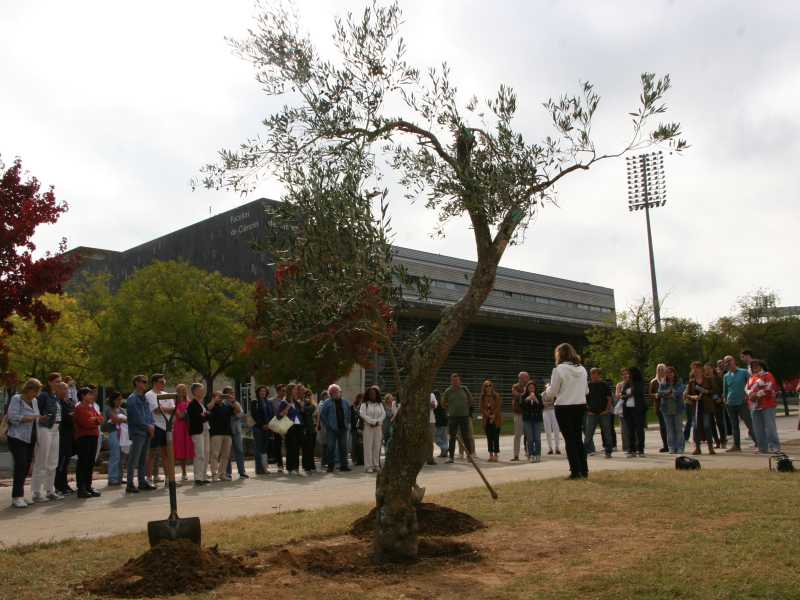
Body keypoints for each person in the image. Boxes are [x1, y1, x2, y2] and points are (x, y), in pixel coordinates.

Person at [543, 343, 589, 479]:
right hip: (580, 405)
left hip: (564, 407)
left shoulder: (559, 370)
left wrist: (547, 388)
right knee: (578, 438)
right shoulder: (582, 369)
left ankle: (575, 471)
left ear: (559, 354)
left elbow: (552, 393)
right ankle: (584, 470)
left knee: (569, 440)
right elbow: (586, 390)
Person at [7, 379, 47, 508]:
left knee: (26, 466)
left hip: (31, 437)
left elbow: (36, 416)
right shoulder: (16, 398)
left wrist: (40, 418)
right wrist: (30, 418)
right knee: (21, 465)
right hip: (17, 437)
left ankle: (21, 495)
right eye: (36, 391)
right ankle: (16, 496)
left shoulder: (34, 401)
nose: (36, 394)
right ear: (29, 389)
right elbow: (12, 417)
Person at [31, 373, 64, 502]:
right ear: (50, 382)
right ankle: (36, 492)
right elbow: (36, 412)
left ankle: (50, 489)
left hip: (56, 429)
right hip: (45, 428)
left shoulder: (55, 396)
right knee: (41, 460)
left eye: (60, 381)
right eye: (56, 381)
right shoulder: (43, 395)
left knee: (53, 461)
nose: (59, 384)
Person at [125, 375, 156, 493]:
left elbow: (148, 414)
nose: (145, 384)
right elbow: (136, 417)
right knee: (134, 459)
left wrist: (152, 425)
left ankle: (142, 482)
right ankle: (129, 484)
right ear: (137, 383)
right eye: (143, 382)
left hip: (146, 431)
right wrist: (148, 426)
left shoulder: (144, 398)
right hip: (138, 432)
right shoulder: (132, 399)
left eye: (146, 382)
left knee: (143, 459)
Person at [74, 387, 104, 498]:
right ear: (83, 396)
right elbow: (86, 423)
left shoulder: (91, 408)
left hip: (93, 436)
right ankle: (81, 487)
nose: (92, 397)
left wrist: (95, 420)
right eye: (89, 394)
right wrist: (95, 420)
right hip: (84, 437)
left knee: (90, 462)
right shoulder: (79, 408)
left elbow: (101, 418)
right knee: (83, 462)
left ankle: (88, 485)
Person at [146, 374, 174, 486]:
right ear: (155, 382)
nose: (163, 384)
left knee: (166, 454)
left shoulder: (167, 395)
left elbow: (173, 410)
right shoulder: (149, 395)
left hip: (166, 427)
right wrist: (165, 409)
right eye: (161, 382)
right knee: (152, 453)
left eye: (164, 382)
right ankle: (149, 478)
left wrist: (164, 408)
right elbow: (157, 410)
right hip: (155, 426)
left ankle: (168, 479)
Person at [746, 359, 780, 453]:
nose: (754, 368)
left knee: (770, 427)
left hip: (767, 404)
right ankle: (762, 448)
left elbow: (769, 387)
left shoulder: (767, 375)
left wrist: (756, 395)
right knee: (758, 428)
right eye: (752, 366)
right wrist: (750, 395)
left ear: (761, 366)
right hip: (754, 406)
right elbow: (747, 390)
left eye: (757, 366)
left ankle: (774, 447)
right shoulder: (751, 378)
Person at [721, 356, 753, 452]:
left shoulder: (743, 372)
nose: (728, 362)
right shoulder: (726, 376)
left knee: (749, 423)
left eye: (729, 360)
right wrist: (725, 399)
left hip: (742, 402)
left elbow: (751, 384)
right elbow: (725, 390)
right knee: (734, 425)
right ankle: (736, 445)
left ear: (734, 361)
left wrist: (748, 396)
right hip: (730, 403)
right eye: (726, 361)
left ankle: (759, 443)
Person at [686, 361, 716, 455]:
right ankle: (697, 448)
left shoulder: (708, 379)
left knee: (707, 426)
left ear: (700, 368)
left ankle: (710, 447)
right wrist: (693, 397)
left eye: (696, 368)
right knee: (696, 427)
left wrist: (707, 391)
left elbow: (713, 391)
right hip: (696, 407)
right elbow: (687, 394)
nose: (695, 370)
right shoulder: (692, 382)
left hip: (706, 406)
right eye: (693, 368)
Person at [319, 384, 351, 472]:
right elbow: (322, 415)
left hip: (343, 428)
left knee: (343, 448)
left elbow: (348, 413)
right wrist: (328, 425)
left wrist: (347, 423)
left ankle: (344, 465)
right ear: (330, 393)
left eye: (337, 392)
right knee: (331, 448)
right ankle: (330, 466)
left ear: (340, 392)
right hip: (332, 430)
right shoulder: (327, 403)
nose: (335, 394)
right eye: (332, 392)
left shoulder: (345, 402)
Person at [443, 373, 474, 463]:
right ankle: (451, 457)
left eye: (457, 380)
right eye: (453, 380)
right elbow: (443, 403)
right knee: (452, 437)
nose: (455, 382)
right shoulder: (448, 391)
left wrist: (466, 407)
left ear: (459, 381)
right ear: (451, 381)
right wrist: (450, 409)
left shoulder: (464, 389)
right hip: (453, 417)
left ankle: (469, 456)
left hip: (464, 416)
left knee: (466, 436)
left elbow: (471, 400)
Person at [208, 390, 238, 481]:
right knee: (215, 454)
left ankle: (222, 474)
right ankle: (214, 474)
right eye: (218, 396)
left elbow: (238, 410)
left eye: (222, 396)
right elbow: (208, 408)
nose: (221, 397)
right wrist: (214, 400)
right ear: (214, 397)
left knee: (225, 455)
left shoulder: (227, 406)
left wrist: (232, 401)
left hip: (227, 433)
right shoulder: (212, 406)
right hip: (216, 433)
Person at [54, 375, 77, 495]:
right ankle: (59, 485)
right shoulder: (57, 403)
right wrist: (73, 416)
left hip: (70, 436)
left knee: (66, 460)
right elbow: (67, 417)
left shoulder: (69, 402)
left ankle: (64, 484)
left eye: (67, 389)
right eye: (63, 389)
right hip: (61, 435)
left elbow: (74, 414)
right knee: (61, 462)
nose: (66, 391)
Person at [585, 368, 614, 458]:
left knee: (607, 433)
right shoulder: (587, 385)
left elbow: (609, 398)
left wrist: (607, 410)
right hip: (591, 413)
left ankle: (608, 451)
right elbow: (583, 399)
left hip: (603, 413)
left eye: (595, 373)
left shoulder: (604, 385)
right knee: (588, 433)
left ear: (599, 374)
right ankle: (585, 451)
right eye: (592, 374)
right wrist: (587, 410)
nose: (593, 375)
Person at [186, 383, 210, 486]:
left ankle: (204, 476)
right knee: (199, 454)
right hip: (197, 431)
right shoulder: (192, 404)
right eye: (200, 390)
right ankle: (198, 477)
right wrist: (205, 415)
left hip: (205, 430)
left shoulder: (202, 403)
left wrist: (205, 415)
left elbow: (208, 415)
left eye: (203, 390)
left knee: (206, 453)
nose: (202, 392)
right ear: (195, 391)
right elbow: (197, 417)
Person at [657, 366, 685, 454]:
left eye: (670, 372)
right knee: (669, 429)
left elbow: (680, 391)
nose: (669, 374)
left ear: (674, 373)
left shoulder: (679, 381)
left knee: (678, 428)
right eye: (667, 373)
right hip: (666, 408)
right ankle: (671, 447)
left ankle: (680, 447)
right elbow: (660, 393)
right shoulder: (663, 382)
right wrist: (668, 392)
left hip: (677, 408)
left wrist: (672, 393)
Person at [170, 384, 194, 481]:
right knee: (180, 449)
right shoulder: (174, 403)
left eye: (184, 389)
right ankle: (183, 472)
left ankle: (195, 471)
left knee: (190, 448)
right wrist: (188, 412)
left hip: (188, 426)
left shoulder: (189, 401)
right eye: (180, 390)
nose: (182, 391)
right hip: (179, 426)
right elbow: (179, 416)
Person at [621, 367, 647, 457]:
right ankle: (631, 449)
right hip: (628, 409)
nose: (628, 375)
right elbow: (623, 394)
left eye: (629, 373)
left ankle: (640, 449)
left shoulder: (639, 382)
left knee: (639, 430)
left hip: (638, 410)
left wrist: (628, 394)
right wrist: (627, 395)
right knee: (630, 430)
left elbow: (637, 392)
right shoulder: (627, 383)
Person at [103, 391, 127, 486]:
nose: (120, 401)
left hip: (123, 434)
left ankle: (120, 477)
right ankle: (112, 478)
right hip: (113, 433)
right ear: (113, 400)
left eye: (120, 399)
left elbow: (126, 420)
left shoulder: (123, 410)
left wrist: (122, 420)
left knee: (122, 456)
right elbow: (115, 419)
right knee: (115, 455)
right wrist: (122, 420)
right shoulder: (109, 409)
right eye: (118, 399)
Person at [359, 386, 386, 473]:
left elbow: (383, 414)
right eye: (371, 394)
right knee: (368, 447)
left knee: (377, 446)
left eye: (374, 394)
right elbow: (362, 414)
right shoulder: (364, 404)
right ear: (368, 395)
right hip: (368, 427)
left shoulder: (380, 404)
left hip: (378, 428)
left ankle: (376, 465)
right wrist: (372, 422)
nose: (372, 395)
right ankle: (368, 466)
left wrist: (378, 422)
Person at [225, 386, 249, 480]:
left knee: (239, 450)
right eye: (229, 393)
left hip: (237, 431)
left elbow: (240, 414)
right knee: (227, 453)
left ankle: (242, 472)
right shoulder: (223, 403)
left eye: (232, 393)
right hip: (227, 431)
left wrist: (234, 404)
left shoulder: (236, 403)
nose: (231, 395)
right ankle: (227, 473)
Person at [279, 392, 304, 476]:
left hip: (298, 426)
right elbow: (280, 415)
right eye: (295, 390)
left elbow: (300, 413)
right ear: (290, 391)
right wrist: (287, 407)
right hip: (289, 427)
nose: (296, 393)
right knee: (290, 447)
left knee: (297, 448)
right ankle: (290, 468)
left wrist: (301, 406)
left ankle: (296, 468)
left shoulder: (296, 402)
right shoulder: (284, 402)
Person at [251, 385, 274, 475]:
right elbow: (254, 415)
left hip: (268, 428)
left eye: (264, 391)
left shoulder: (268, 402)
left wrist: (269, 425)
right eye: (261, 391)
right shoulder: (254, 402)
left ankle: (265, 468)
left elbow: (271, 414)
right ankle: (259, 469)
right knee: (258, 448)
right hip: (258, 428)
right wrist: (262, 425)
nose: (263, 392)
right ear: (258, 392)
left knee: (264, 448)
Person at [479, 380, 503, 462]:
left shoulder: (496, 395)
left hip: (496, 419)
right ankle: (490, 454)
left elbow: (498, 406)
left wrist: (494, 415)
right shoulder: (482, 397)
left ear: (492, 386)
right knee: (489, 437)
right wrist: (488, 415)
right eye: (486, 386)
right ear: (484, 388)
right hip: (487, 419)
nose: (488, 387)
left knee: (495, 437)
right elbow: (481, 408)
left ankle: (496, 454)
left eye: (490, 385)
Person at [520, 380, 543, 462]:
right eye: (530, 388)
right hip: (527, 420)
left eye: (533, 387)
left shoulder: (539, 396)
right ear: (527, 389)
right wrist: (527, 399)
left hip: (537, 420)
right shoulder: (523, 396)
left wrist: (536, 399)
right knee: (530, 439)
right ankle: (531, 455)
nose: (531, 389)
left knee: (537, 438)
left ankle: (538, 454)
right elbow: (521, 406)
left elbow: (542, 407)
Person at [704, 363, 727, 449]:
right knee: (711, 424)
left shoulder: (718, 378)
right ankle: (716, 441)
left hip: (718, 403)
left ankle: (723, 441)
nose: (707, 371)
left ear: (712, 369)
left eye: (709, 369)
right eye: (705, 369)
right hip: (709, 404)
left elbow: (723, 389)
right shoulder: (705, 380)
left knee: (720, 422)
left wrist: (721, 398)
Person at [649, 364, 670, 453]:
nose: (661, 371)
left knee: (670, 425)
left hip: (669, 406)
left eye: (662, 369)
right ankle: (665, 445)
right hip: (659, 406)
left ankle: (672, 443)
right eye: (659, 369)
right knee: (663, 426)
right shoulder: (654, 381)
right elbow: (650, 393)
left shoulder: (668, 380)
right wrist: (656, 395)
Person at [511, 372, 531, 461]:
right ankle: (516, 455)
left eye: (527, 378)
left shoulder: (530, 386)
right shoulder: (515, 386)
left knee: (529, 435)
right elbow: (516, 395)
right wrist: (527, 395)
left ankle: (529, 453)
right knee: (517, 435)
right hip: (518, 414)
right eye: (525, 378)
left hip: (528, 414)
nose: (527, 379)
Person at [299, 388, 317, 474]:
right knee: (306, 448)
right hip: (305, 428)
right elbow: (303, 411)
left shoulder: (312, 404)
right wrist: (304, 407)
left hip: (312, 429)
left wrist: (304, 408)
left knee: (311, 448)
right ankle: (306, 466)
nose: (308, 397)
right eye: (306, 395)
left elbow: (311, 409)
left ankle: (311, 465)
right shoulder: (302, 403)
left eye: (309, 395)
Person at [542, 378, 561, 456]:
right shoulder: (543, 394)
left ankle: (557, 447)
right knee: (548, 430)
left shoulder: (554, 393)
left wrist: (548, 403)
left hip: (553, 411)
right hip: (545, 412)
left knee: (556, 429)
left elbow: (554, 402)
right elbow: (543, 403)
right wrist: (549, 403)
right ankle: (550, 448)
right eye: (546, 386)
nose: (548, 386)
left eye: (549, 385)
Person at [351, 392, 365, 467]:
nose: (361, 400)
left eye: (363, 398)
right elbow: (351, 417)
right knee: (355, 444)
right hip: (354, 428)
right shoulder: (353, 407)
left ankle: (361, 460)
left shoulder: (365, 406)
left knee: (361, 445)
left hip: (362, 427)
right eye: (360, 398)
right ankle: (355, 459)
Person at [433, 390, 448, 458]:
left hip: (439, 422)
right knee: (444, 438)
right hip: (445, 421)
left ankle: (445, 448)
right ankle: (444, 453)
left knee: (436, 437)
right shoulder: (442, 401)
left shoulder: (436, 403)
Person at [426, 392, 438, 466]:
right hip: (420, 421)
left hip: (431, 420)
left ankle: (430, 458)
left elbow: (434, 405)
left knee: (430, 441)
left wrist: (430, 405)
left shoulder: (431, 395)